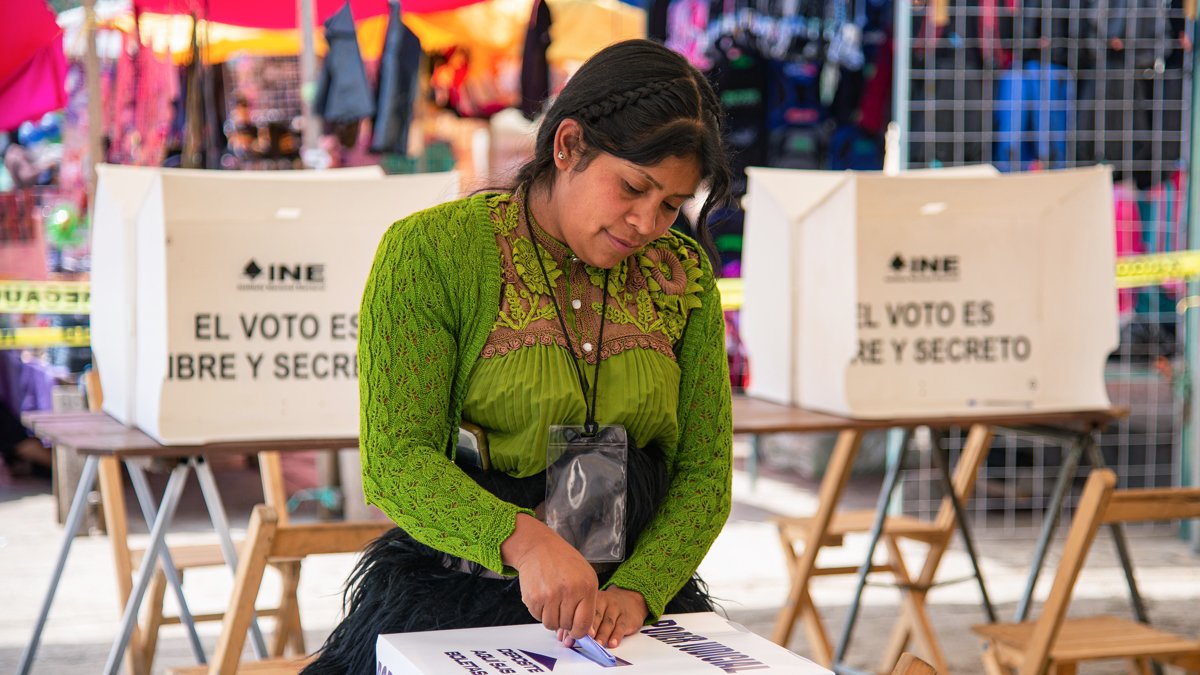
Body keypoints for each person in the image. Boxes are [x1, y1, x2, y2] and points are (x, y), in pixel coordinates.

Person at [303, 38, 734, 674]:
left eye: (670, 204)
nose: (647, 223)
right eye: (632, 188)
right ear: (568, 146)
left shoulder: (680, 272)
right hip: (459, 588)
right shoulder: (433, 254)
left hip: (631, 604)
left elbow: (705, 473)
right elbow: (396, 460)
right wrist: (524, 542)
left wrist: (640, 590)